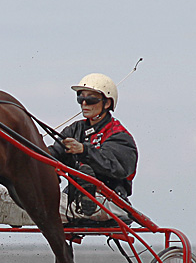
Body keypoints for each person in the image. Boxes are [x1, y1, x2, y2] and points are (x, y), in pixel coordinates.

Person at [48, 73, 138, 223]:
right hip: (72, 199)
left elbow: (118, 169)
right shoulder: (74, 130)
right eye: (80, 98)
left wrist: (84, 150)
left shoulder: (119, 136)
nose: (84, 103)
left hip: (111, 201)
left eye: (90, 99)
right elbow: (52, 155)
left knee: (49, 204)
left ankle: (87, 196)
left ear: (107, 103)